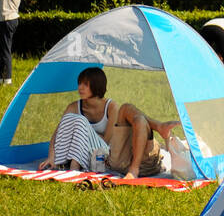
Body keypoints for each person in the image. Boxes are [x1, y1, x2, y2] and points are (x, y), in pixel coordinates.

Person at [39, 67, 177, 177]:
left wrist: (84, 131)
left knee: (82, 121)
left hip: (104, 152)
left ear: (96, 85)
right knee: (70, 119)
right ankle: (63, 163)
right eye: (79, 83)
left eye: (85, 84)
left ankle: (75, 168)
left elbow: (107, 140)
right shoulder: (74, 106)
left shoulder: (111, 107)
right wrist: (51, 157)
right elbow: (58, 132)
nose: (80, 87)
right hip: (85, 152)